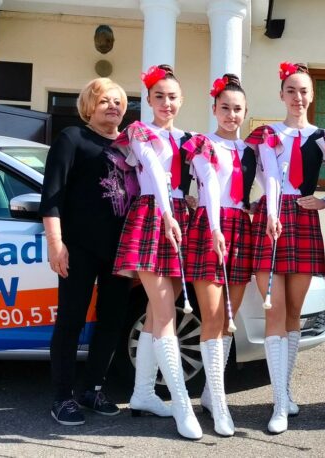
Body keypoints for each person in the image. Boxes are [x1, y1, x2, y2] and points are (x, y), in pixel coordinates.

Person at [40, 77, 135, 426]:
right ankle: (62, 397)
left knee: (112, 321)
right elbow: (52, 195)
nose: (113, 106)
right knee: (71, 320)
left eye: (118, 101)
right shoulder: (72, 138)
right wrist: (55, 243)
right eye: (105, 100)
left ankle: (93, 389)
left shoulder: (131, 146)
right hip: (78, 248)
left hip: (120, 251)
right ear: (89, 106)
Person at [114, 64, 201, 439]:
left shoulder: (189, 138)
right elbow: (151, 167)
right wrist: (168, 214)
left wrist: (191, 201)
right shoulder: (139, 131)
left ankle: (143, 394)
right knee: (165, 313)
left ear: (182, 100)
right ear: (148, 99)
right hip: (153, 217)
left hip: (181, 217)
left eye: (172, 97)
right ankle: (183, 405)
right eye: (159, 96)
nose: (166, 102)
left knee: (155, 312)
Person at [244, 61, 325, 434]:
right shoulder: (265, 134)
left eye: (304, 90)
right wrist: (247, 203)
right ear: (281, 94)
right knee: (274, 311)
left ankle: (284, 389)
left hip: (305, 219)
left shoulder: (324, 137)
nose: (298, 97)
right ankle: (280, 404)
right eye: (291, 90)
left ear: (312, 95)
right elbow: (241, 171)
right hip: (270, 219)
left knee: (294, 312)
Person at [181, 74, 257, 437]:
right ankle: (220, 404)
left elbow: (251, 190)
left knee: (229, 319)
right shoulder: (202, 144)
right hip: (209, 229)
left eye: (237, 109)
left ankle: (213, 395)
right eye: (224, 108)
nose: (231, 115)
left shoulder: (250, 151)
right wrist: (214, 229)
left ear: (245, 112)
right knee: (211, 318)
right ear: (214, 109)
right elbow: (210, 187)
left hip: (241, 227)